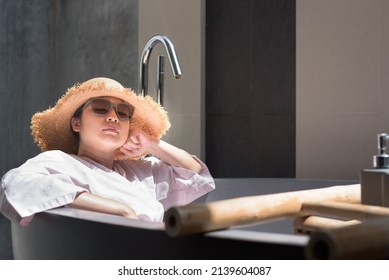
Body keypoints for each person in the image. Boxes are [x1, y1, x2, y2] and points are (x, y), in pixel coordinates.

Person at [0, 77, 215, 227]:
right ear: (76, 123)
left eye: (123, 113)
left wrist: (153, 145)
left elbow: (196, 174)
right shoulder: (60, 162)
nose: (113, 117)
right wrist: (119, 210)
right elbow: (16, 183)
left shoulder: (138, 173)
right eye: (101, 108)